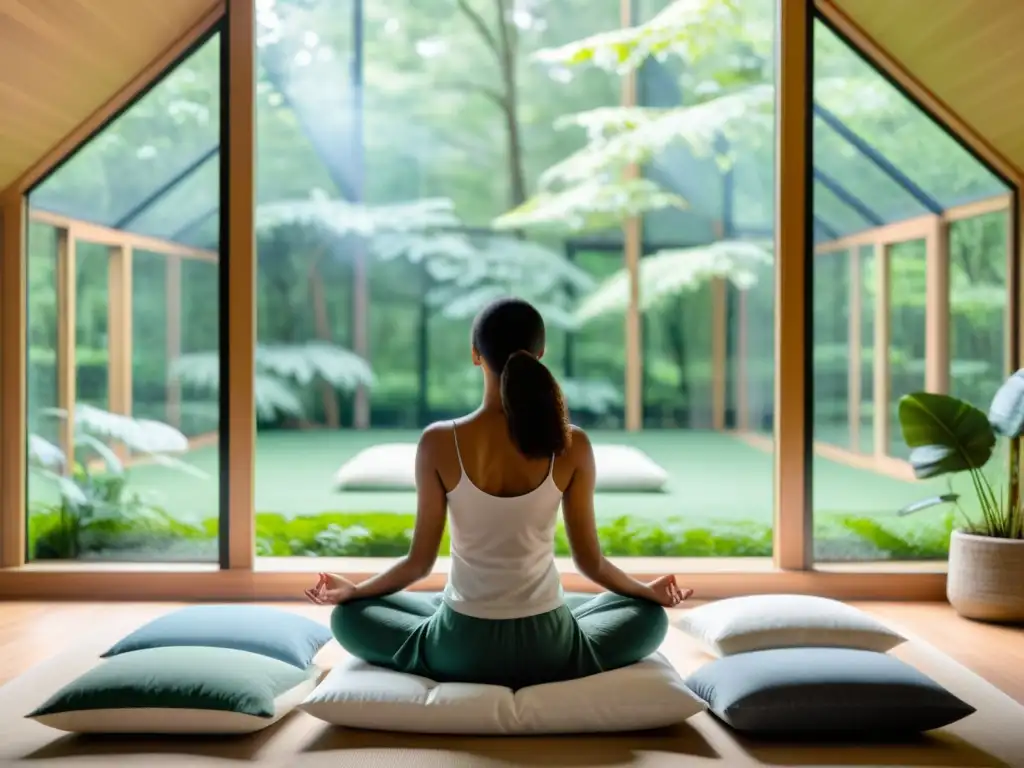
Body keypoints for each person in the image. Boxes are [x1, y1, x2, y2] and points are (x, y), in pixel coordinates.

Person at [305, 297, 692, 689]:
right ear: (540, 354)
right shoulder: (572, 444)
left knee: (348, 615)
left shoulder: (439, 442)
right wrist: (647, 592)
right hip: (550, 647)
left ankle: (437, 631)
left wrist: (354, 590)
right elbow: (591, 564)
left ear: (475, 355)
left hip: (459, 647)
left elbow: (418, 564)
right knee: (647, 615)